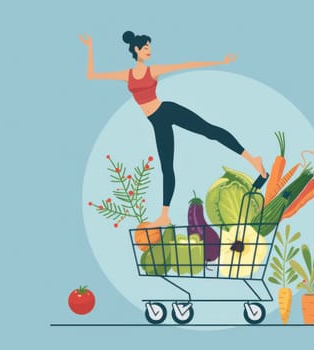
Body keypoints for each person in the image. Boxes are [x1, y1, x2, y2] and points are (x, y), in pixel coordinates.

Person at [79, 30, 267, 228]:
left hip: (167, 110)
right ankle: (164, 216)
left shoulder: (154, 70)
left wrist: (220, 62)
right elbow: (92, 75)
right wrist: (90, 47)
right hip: (157, 122)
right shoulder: (127, 75)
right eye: (145, 48)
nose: (149, 51)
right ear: (136, 50)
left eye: (150, 47)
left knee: (209, 131)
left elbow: (187, 65)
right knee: (167, 168)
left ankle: (252, 159)